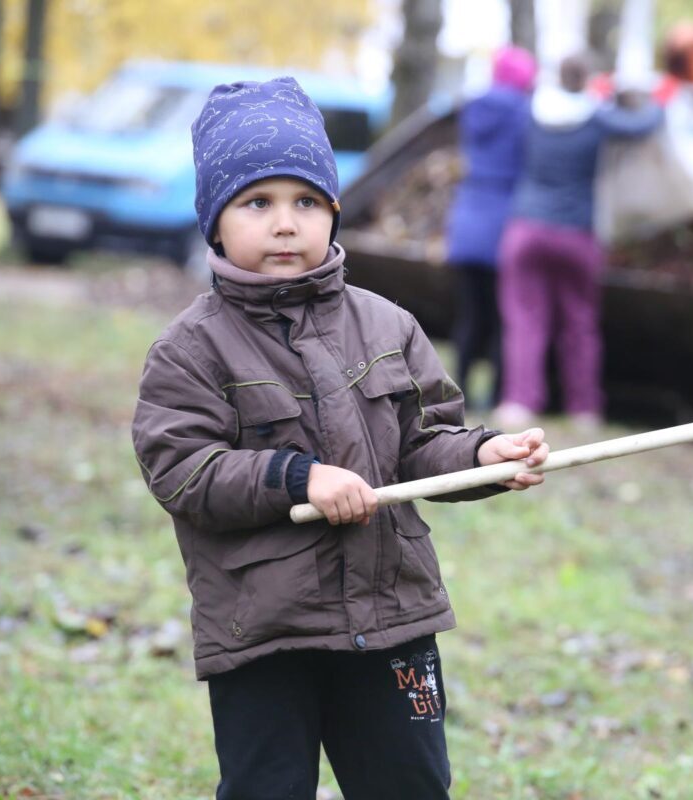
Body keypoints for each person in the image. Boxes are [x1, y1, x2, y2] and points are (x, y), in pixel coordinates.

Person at [131, 77, 549, 800]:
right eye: (257, 203)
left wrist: (482, 457)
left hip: (392, 621)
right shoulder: (190, 351)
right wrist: (298, 478)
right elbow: (184, 470)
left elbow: (426, 441)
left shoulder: (388, 326)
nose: (285, 224)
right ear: (215, 221)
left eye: (306, 202)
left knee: (410, 787)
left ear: (333, 210)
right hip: (266, 633)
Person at [494, 54, 664, 431]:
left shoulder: (530, 112)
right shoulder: (596, 116)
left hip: (526, 228)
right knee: (580, 324)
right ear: (587, 79)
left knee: (525, 321)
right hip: (576, 233)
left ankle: (519, 404)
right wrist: (658, 98)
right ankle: (584, 408)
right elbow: (643, 125)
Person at [444, 46, 537, 411]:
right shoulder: (525, 114)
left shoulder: (473, 108)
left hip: (467, 218)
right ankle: (496, 395)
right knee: (504, 318)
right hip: (505, 221)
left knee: (469, 315)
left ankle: (458, 390)